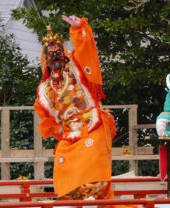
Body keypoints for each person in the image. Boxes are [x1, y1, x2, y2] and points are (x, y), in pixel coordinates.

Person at [34, 15, 138, 208]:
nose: (55, 57)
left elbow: (86, 51)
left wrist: (77, 29)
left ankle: (92, 193)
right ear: (46, 60)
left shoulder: (76, 69)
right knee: (61, 159)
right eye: (51, 55)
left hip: (92, 123)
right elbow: (48, 120)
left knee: (92, 155)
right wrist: (63, 130)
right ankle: (76, 197)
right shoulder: (45, 90)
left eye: (58, 52)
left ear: (64, 54)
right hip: (70, 133)